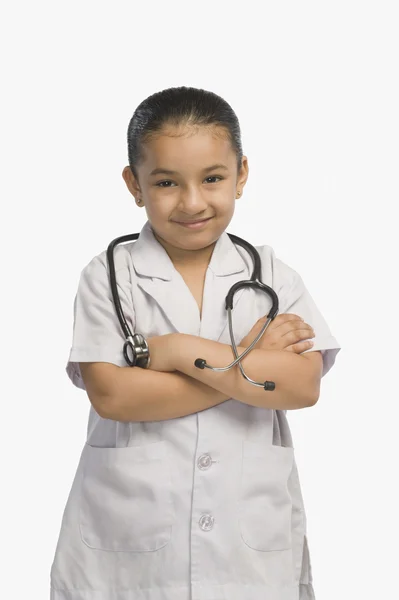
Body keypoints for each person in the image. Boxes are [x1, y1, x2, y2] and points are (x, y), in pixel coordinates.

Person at [50, 86, 341, 600]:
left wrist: (180, 351)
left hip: (246, 551)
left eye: (212, 179)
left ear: (241, 175)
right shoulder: (109, 276)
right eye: (165, 182)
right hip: (128, 548)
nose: (192, 202)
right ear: (134, 184)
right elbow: (114, 397)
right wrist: (251, 361)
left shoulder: (271, 273)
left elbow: (301, 386)